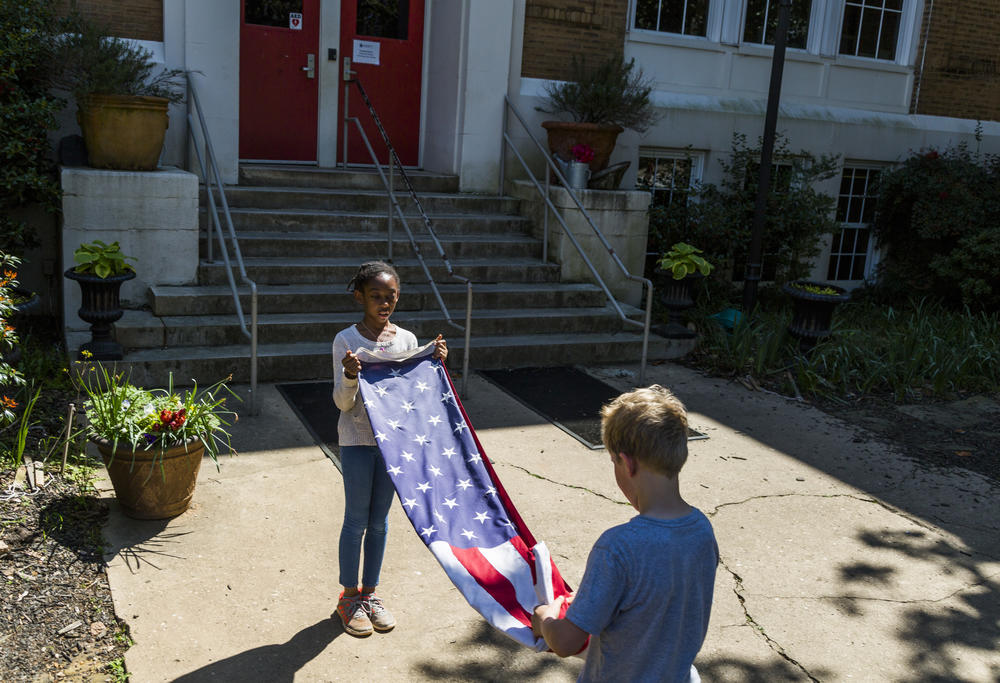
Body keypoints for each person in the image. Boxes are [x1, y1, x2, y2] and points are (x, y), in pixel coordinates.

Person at [532, 385, 718, 682]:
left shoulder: (618, 547)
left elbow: (566, 642)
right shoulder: (702, 530)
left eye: (613, 462)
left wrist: (546, 618)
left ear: (627, 462)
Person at [331, 260, 447, 638]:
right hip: (358, 441)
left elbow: (414, 395)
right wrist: (350, 376)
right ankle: (348, 597)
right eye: (376, 296)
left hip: (395, 446)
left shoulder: (407, 340)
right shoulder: (346, 340)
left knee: (380, 521)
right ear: (359, 297)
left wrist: (435, 365)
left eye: (391, 296)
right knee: (355, 520)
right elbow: (343, 405)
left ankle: (371, 593)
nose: (384, 303)